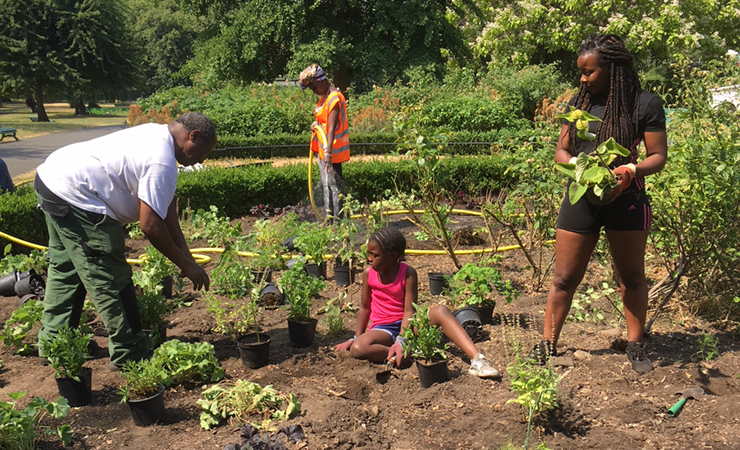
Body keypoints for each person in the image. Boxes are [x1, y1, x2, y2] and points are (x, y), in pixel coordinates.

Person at [35, 112, 216, 370]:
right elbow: (151, 226)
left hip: (53, 179)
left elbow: (167, 212)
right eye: (204, 152)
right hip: (78, 196)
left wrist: (187, 258)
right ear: (193, 137)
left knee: (68, 270)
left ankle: (56, 343)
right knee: (110, 277)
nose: (202, 159)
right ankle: (130, 353)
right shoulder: (161, 162)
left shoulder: (157, 134)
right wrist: (186, 266)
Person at [534, 34, 668, 374]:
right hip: (581, 198)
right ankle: (547, 344)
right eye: (581, 72)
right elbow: (562, 152)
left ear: (613, 69)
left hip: (627, 198)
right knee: (563, 277)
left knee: (632, 278)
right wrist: (581, 173)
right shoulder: (579, 106)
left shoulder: (644, 104)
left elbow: (658, 156)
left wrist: (629, 169)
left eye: (589, 72)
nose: (582, 78)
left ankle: (636, 345)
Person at [334, 227, 500, 378]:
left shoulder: (408, 274)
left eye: (375, 255)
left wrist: (402, 339)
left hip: (410, 324)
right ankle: (405, 354)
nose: (369, 259)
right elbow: (364, 308)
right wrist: (356, 337)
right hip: (383, 329)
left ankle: (477, 360)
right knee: (357, 348)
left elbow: (409, 311)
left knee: (441, 311)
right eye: (369, 254)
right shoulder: (368, 273)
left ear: (393, 256)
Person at [299, 64, 349, 221]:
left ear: (321, 81)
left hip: (331, 152)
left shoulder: (334, 98)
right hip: (324, 150)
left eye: (313, 87)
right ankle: (330, 220)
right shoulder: (325, 97)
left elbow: (332, 128)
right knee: (327, 185)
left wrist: (328, 153)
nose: (313, 91)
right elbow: (325, 122)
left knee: (334, 187)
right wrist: (317, 125)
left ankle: (338, 222)